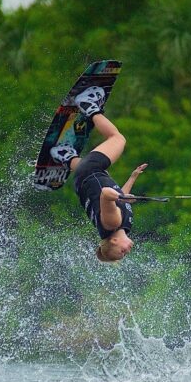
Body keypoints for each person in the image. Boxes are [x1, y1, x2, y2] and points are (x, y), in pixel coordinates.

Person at [49, 86, 147, 262]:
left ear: (114, 241)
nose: (127, 252)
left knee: (118, 139)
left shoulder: (112, 223)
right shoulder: (118, 226)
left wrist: (119, 196)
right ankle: (64, 155)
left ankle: (89, 106)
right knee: (94, 170)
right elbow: (116, 199)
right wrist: (132, 179)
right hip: (82, 178)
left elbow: (106, 194)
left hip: (91, 172)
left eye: (121, 252)